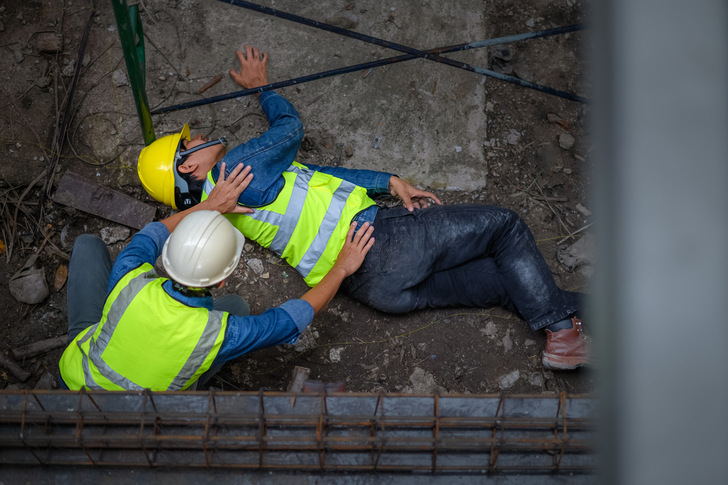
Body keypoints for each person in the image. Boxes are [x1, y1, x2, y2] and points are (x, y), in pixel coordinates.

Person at [137, 45, 589, 371]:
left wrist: (388, 182)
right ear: (189, 167)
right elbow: (289, 127)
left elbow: (315, 175)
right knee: (504, 228)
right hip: (382, 243)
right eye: (188, 143)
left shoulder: (226, 205)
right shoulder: (235, 169)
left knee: (502, 281)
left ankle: (597, 316)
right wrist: (263, 88)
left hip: (374, 289)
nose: (197, 138)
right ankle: (563, 335)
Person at [59, 163, 375, 391]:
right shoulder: (216, 334)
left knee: (87, 245)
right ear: (221, 280)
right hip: (142, 421)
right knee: (235, 306)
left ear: (167, 259)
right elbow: (288, 322)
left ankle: (96, 337)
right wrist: (342, 268)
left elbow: (151, 234)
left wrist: (209, 205)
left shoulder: (129, 276)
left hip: (76, 381)